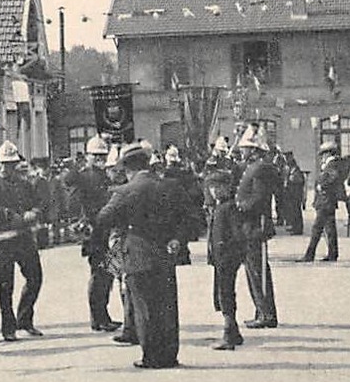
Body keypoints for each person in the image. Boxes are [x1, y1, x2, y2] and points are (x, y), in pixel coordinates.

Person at [92, 140, 187, 369]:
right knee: (167, 306)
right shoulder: (170, 186)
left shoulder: (124, 191)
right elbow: (188, 217)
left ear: (126, 168)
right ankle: (169, 355)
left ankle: (151, 357)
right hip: (165, 253)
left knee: (144, 307)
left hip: (136, 253)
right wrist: (177, 238)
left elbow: (103, 219)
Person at [0, 140, 45, 341]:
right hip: (3, 240)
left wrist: (34, 212)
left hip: (23, 238)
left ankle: (25, 319)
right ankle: (8, 327)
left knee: (35, 278)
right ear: (0, 164)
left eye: (12, 163)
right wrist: (7, 214)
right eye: (5, 163)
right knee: (6, 285)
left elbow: (38, 202)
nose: (9, 167)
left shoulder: (24, 183)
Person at [65, 134, 121, 331]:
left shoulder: (100, 176)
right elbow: (75, 202)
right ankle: (98, 318)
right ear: (88, 156)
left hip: (103, 230)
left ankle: (101, 315)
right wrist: (80, 223)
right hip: (95, 231)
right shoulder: (85, 177)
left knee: (106, 274)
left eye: (101, 155)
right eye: (95, 155)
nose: (99, 159)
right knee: (100, 275)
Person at [234, 125, 282, 328]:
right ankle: (261, 310)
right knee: (253, 270)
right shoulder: (254, 167)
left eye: (245, 148)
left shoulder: (260, 168)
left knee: (258, 271)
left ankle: (267, 314)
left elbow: (259, 198)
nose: (241, 151)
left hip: (255, 224)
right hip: (250, 225)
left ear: (254, 150)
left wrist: (240, 207)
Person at [204, 168, 246, 350]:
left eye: (218, 187)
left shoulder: (229, 208)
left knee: (225, 293)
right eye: (212, 187)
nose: (214, 191)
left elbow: (237, 235)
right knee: (222, 293)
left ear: (228, 187)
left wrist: (231, 253)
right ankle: (234, 331)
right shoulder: (220, 207)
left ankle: (229, 334)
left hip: (226, 258)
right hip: (220, 257)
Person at [301, 143, 346, 262]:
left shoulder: (332, 165)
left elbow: (334, 177)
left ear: (328, 153)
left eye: (323, 154)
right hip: (327, 201)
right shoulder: (331, 164)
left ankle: (309, 255)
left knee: (317, 229)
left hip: (325, 201)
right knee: (329, 229)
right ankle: (333, 253)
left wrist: (322, 186)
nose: (322, 157)